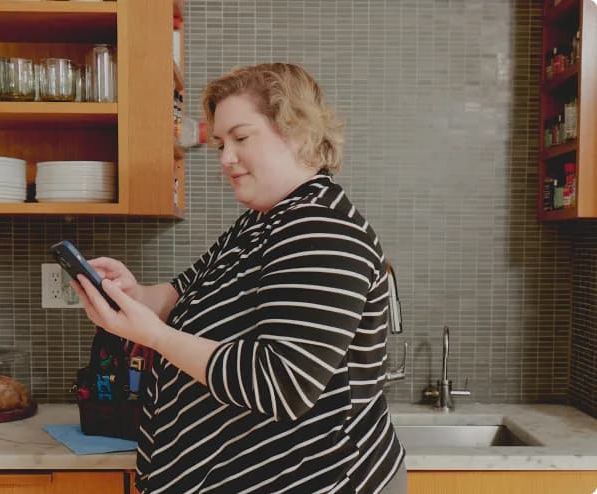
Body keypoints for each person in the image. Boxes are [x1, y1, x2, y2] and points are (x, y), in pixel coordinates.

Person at [70, 63, 406, 494]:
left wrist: (155, 337)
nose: (226, 158)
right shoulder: (261, 223)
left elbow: (282, 382)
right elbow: (178, 297)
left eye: (242, 138)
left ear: (299, 132)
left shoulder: (321, 229)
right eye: (220, 144)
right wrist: (130, 294)